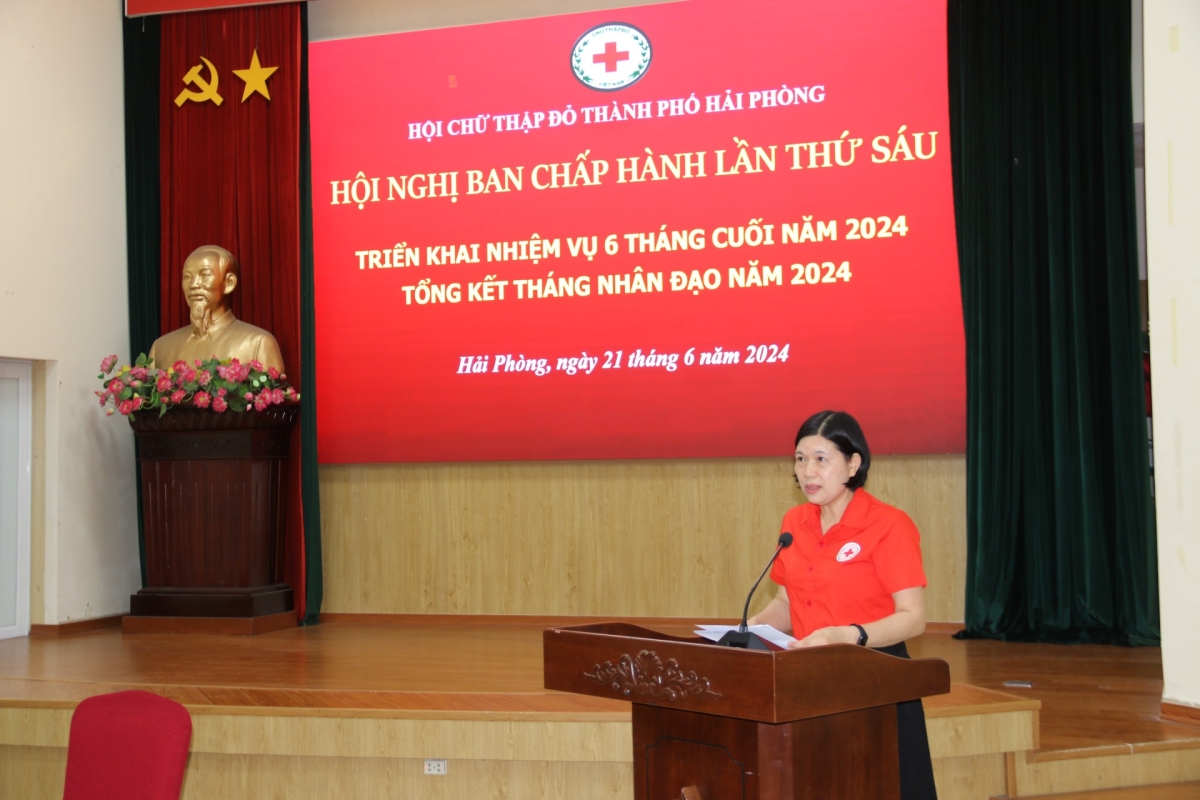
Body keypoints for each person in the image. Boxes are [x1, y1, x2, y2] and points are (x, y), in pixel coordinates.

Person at [747, 409, 938, 800]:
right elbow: (786, 602)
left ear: (853, 464)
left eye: (821, 459)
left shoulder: (888, 524)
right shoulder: (794, 522)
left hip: (876, 680)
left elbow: (913, 618)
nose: (808, 471)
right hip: (809, 680)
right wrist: (745, 630)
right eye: (801, 458)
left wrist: (849, 635)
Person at [149, 245, 285, 372]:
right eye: (187, 277)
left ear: (229, 283)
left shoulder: (258, 343)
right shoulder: (161, 346)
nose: (193, 284)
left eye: (204, 275)